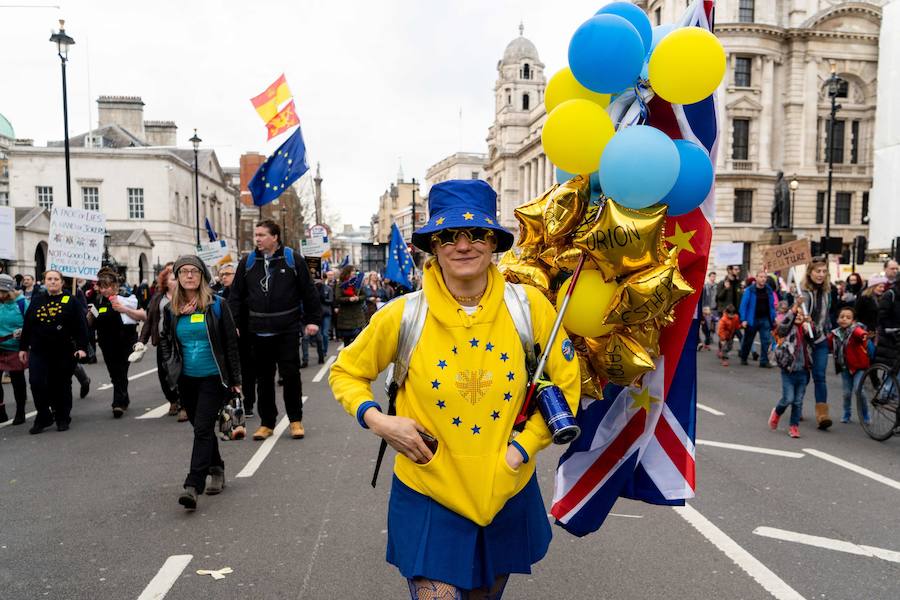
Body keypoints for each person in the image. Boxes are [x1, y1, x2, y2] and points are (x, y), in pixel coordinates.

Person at [329, 179, 580, 598]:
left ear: (493, 242)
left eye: (476, 233)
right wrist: (379, 421)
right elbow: (345, 372)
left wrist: (521, 451)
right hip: (429, 492)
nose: (463, 245)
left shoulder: (530, 307)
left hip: (505, 487)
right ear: (434, 246)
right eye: (448, 235)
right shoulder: (401, 315)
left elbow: (566, 385)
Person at [159, 256, 241, 510]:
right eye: (183, 272)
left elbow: (230, 344)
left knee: (202, 429)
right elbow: (164, 340)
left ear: (203, 275)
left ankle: (193, 485)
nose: (189, 276)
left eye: (194, 271)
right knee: (201, 428)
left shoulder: (217, 305)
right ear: (178, 277)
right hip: (186, 379)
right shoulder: (171, 309)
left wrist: (235, 380)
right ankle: (217, 468)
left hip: (213, 378)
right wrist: (170, 366)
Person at [227, 220, 321, 441]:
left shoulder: (292, 259)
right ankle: (266, 422)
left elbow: (308, 292)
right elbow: (236, 297)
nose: (257, 238)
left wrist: (312, 320)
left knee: (290, 376)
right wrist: (234, 325)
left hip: (287, 328)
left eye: (261, 235)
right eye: (256, 235)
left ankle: (295, 420)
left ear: (275, 237)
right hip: (258, 331)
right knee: (264, 379)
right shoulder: (248, 262)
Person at [18, 270, 90, 433]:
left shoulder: (71, 301)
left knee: (61, 384)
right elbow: (28, 325)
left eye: (56, 279)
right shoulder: (37, 300)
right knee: (36, 382)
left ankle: (62, 416)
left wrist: (82, 347)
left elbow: (81, 326)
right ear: (44, 281)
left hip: (63, 350)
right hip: (38, 349)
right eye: (49, 279)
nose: (52, 282)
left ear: (62, 282)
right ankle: (43, 416)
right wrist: (23, 347)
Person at [87, 267, 146, 418]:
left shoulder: (127, 297)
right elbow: (93, 324)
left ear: (115, 286)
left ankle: (117, 403)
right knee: (114, 373)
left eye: (108, 287)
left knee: (121, 370)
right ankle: (124, 398)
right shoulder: (99, 300)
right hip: (106, 342)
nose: (105, 290)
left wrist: (123, 309)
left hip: (126, 340)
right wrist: (90, 315)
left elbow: (143, 316)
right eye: (102, 287)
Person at [138, 265, 184, 419]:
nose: (176, 281)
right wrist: (141, 341)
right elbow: (150, 321)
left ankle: (184, 404)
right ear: (166, 282)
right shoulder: (158, 298)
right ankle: (172, 400)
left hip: (181, 340)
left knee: (182, 372)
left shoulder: (186, 296)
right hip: (163, 340)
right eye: (173, 279)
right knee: (164, 373)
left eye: (178, 278)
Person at [769, 300, 813, 438]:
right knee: (788, 399)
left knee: (798, 401)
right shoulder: (787, 329)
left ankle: (794, 426)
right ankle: (777, 412)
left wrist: (811, 325)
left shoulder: (807, 330)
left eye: (801, 314)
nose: (799, 316)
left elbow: (817, 339)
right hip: (788, 371)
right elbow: (781, 327)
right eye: (797, 314)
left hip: (803, 371)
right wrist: (794, 309)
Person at [800, 257, 833, 430]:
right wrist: (802, 321)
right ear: (810, 272)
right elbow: (797, 312)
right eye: (817, 271)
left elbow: (827, 315)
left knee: (820, 376)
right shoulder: (803, 292)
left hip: (820, 339)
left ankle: (822, 415)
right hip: (804, 341)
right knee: (803, 377)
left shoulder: (828, 291)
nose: (821, 275)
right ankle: (796, 406)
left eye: (823, 271)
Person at [829, 307, 870, 424]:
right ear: (837, 319)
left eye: (848, 317)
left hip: (859, 367)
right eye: (842, 317)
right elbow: (827, 344)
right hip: (845, 367)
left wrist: (864, 335)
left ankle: (865, 414)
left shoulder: (855, 330)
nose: (844, 319)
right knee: (846, 393)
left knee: (859, 390)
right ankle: (847, 413)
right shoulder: (835, 333)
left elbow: (861, 334)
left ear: (853, 321)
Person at [0, 275, 28, 424]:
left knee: (17, 380)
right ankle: (1, 410)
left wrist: (23, 331)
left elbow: (32, 323)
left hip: (16, 348)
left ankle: (20, 411)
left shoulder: (22, 303)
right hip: (0, 346)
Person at [738, 270, 777, 368]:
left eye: (765, 277)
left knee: (766, 341)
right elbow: (743, 305)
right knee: (748, 340)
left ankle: (764, 361)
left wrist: (773, 317)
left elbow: (771, 306)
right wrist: (743, 319)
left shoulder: (768, 290)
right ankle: (744, 357)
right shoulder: (750, 290)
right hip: (752, 319)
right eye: (761, 277)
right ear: (756, 278)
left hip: (765, 319)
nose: (763, 279)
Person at [301, 270, 332, 367]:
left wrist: (315, 321)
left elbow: (321, 305)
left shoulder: (321, 289)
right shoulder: (304, 290)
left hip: (315, 319)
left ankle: (321, 356)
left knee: (319, 338)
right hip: (305, 319)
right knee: (305, 338)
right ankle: (305, 360)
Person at [333, 264, 367, 347]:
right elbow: (338, 298)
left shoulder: (358, 282)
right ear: (348, 272)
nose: (355, 272)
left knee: (358, 340)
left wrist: (358, 298)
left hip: (357, 315)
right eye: (353, 271)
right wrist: (349, 299)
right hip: (346, 316)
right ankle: (347, 358)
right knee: (347, 342)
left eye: (355, 271)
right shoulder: (340, 283)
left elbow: (364, 295)